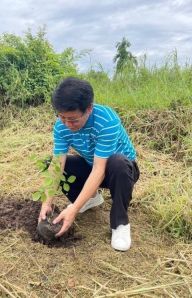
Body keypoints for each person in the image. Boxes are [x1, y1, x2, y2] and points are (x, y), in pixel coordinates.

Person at [38, 76, 140, 251]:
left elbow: (100, 170)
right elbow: (57, 166)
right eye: (62, 117)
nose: (67, 124)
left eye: (73, 119)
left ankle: (120, 224)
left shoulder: (106, 121)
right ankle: (92, 199)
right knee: (51, 164)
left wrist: (74, 210)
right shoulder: (61, 127)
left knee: (118, 162)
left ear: (89, 109)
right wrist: (47, 202)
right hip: (92, 165)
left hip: (121, 171)